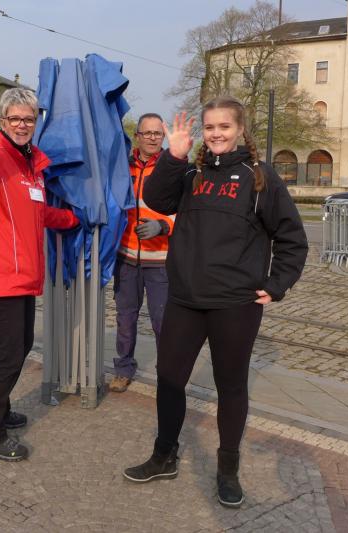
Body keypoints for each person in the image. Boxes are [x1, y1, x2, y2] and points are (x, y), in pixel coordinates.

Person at [123, 96, 308, 508]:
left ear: (240, 129)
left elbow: (292, 238)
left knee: (231, 386)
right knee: (170, 379)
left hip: (235, 304)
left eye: (224, 126)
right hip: (186, 299)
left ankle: (227, 469)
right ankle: (164, 455)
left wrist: (277, 284)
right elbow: (156, 199)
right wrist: (173, 156)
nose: (216, 133)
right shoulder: (192, 172)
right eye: (210, 127)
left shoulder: (260, 177)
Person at [0, 76, 79, 462]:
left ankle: (1, 410)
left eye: (28, 119)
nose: (22, 124)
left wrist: (73, 219)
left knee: (20, 347)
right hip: (3, 274)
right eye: (15, 118)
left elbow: (38, 213)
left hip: (25, 275)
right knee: (8, 355)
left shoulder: (31, 166)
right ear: (3, 121)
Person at [109, 113, 175, 393]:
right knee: (125, 318)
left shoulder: (173, 167)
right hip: (127, 258)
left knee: (163, 322)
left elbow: (187, 211)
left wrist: (164, 225)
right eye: (146, 133)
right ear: (137, 136)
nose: (152, 138)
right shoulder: (123, 167)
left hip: (160, 260)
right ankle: (123, 369)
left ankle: (167, 374)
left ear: (163, 136)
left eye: (157, 133)